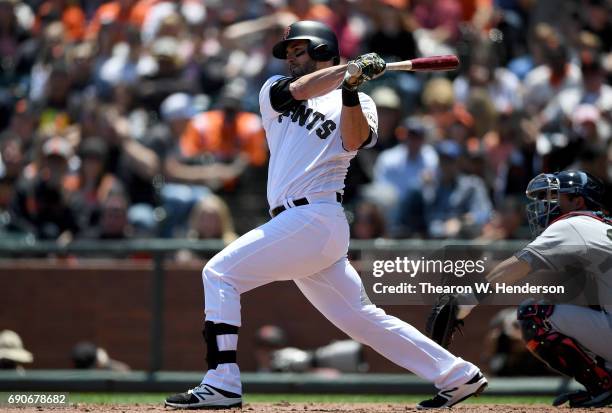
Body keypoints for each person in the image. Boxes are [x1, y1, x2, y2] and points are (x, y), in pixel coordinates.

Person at [165, 20, 486, 410]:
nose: (291, 59)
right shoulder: (273, 91)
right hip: (300, 225)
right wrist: (347, 72)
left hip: (316, 216)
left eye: (298, 51)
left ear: (322, 49)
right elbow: (300, 90)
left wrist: (351, 91)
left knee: (219, 273)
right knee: (361, 319)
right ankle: (457, 375)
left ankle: (221, 381)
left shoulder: (361, 102)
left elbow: (353, 140)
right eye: (289, 53)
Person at [449, 170, 612, 408]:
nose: (547, 204)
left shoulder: (574, 223)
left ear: (578, 201)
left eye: (556, 197)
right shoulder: (602, 226)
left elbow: (515, 268)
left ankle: (604, 385)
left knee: (533, 314)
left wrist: (464, 302)